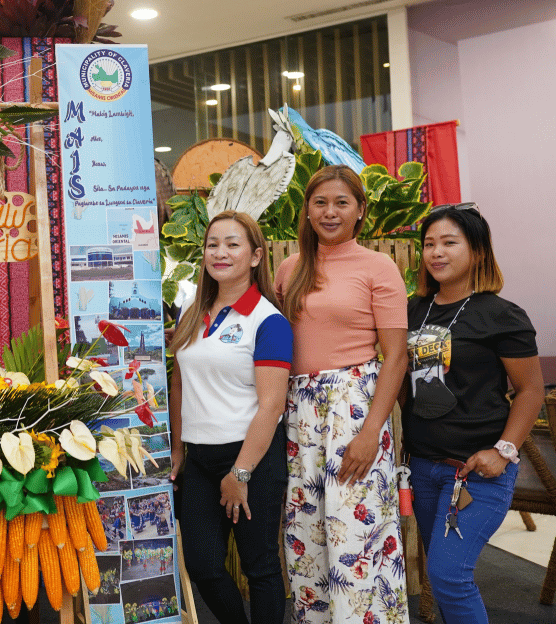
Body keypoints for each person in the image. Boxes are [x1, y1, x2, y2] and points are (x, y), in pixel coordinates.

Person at [273, 165, 409, 624]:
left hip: (355, 410)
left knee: (357, 540)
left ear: (361, 212)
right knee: (306, 538)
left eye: (341, 203)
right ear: (307, 210)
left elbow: (396, 357)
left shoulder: (379, 266)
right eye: (320, 203)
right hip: (299, 412)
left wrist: (372, 431)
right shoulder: (289, 268)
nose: (330, 212)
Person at [403, 203, 543, 623]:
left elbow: (530, 390)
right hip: (423, 469)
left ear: (477, 251)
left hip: (476, 471)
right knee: (443, 576)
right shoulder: (412, 309)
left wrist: (503, 450)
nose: (436, 253)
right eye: (429, 244)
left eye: (449, 242)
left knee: (449, 576)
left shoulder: (502, 315)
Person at [169, 210, 292, 624]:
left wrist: (240, 473)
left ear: (256, 256)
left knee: (260, 567)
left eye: (232, 244)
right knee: (203, 566)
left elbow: (272, 406)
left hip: (251, 458)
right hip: (199, 459)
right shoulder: (191, 309)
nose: (219, 253)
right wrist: (176, 451)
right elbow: (179, 383)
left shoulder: (268, 321)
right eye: (212, 244)